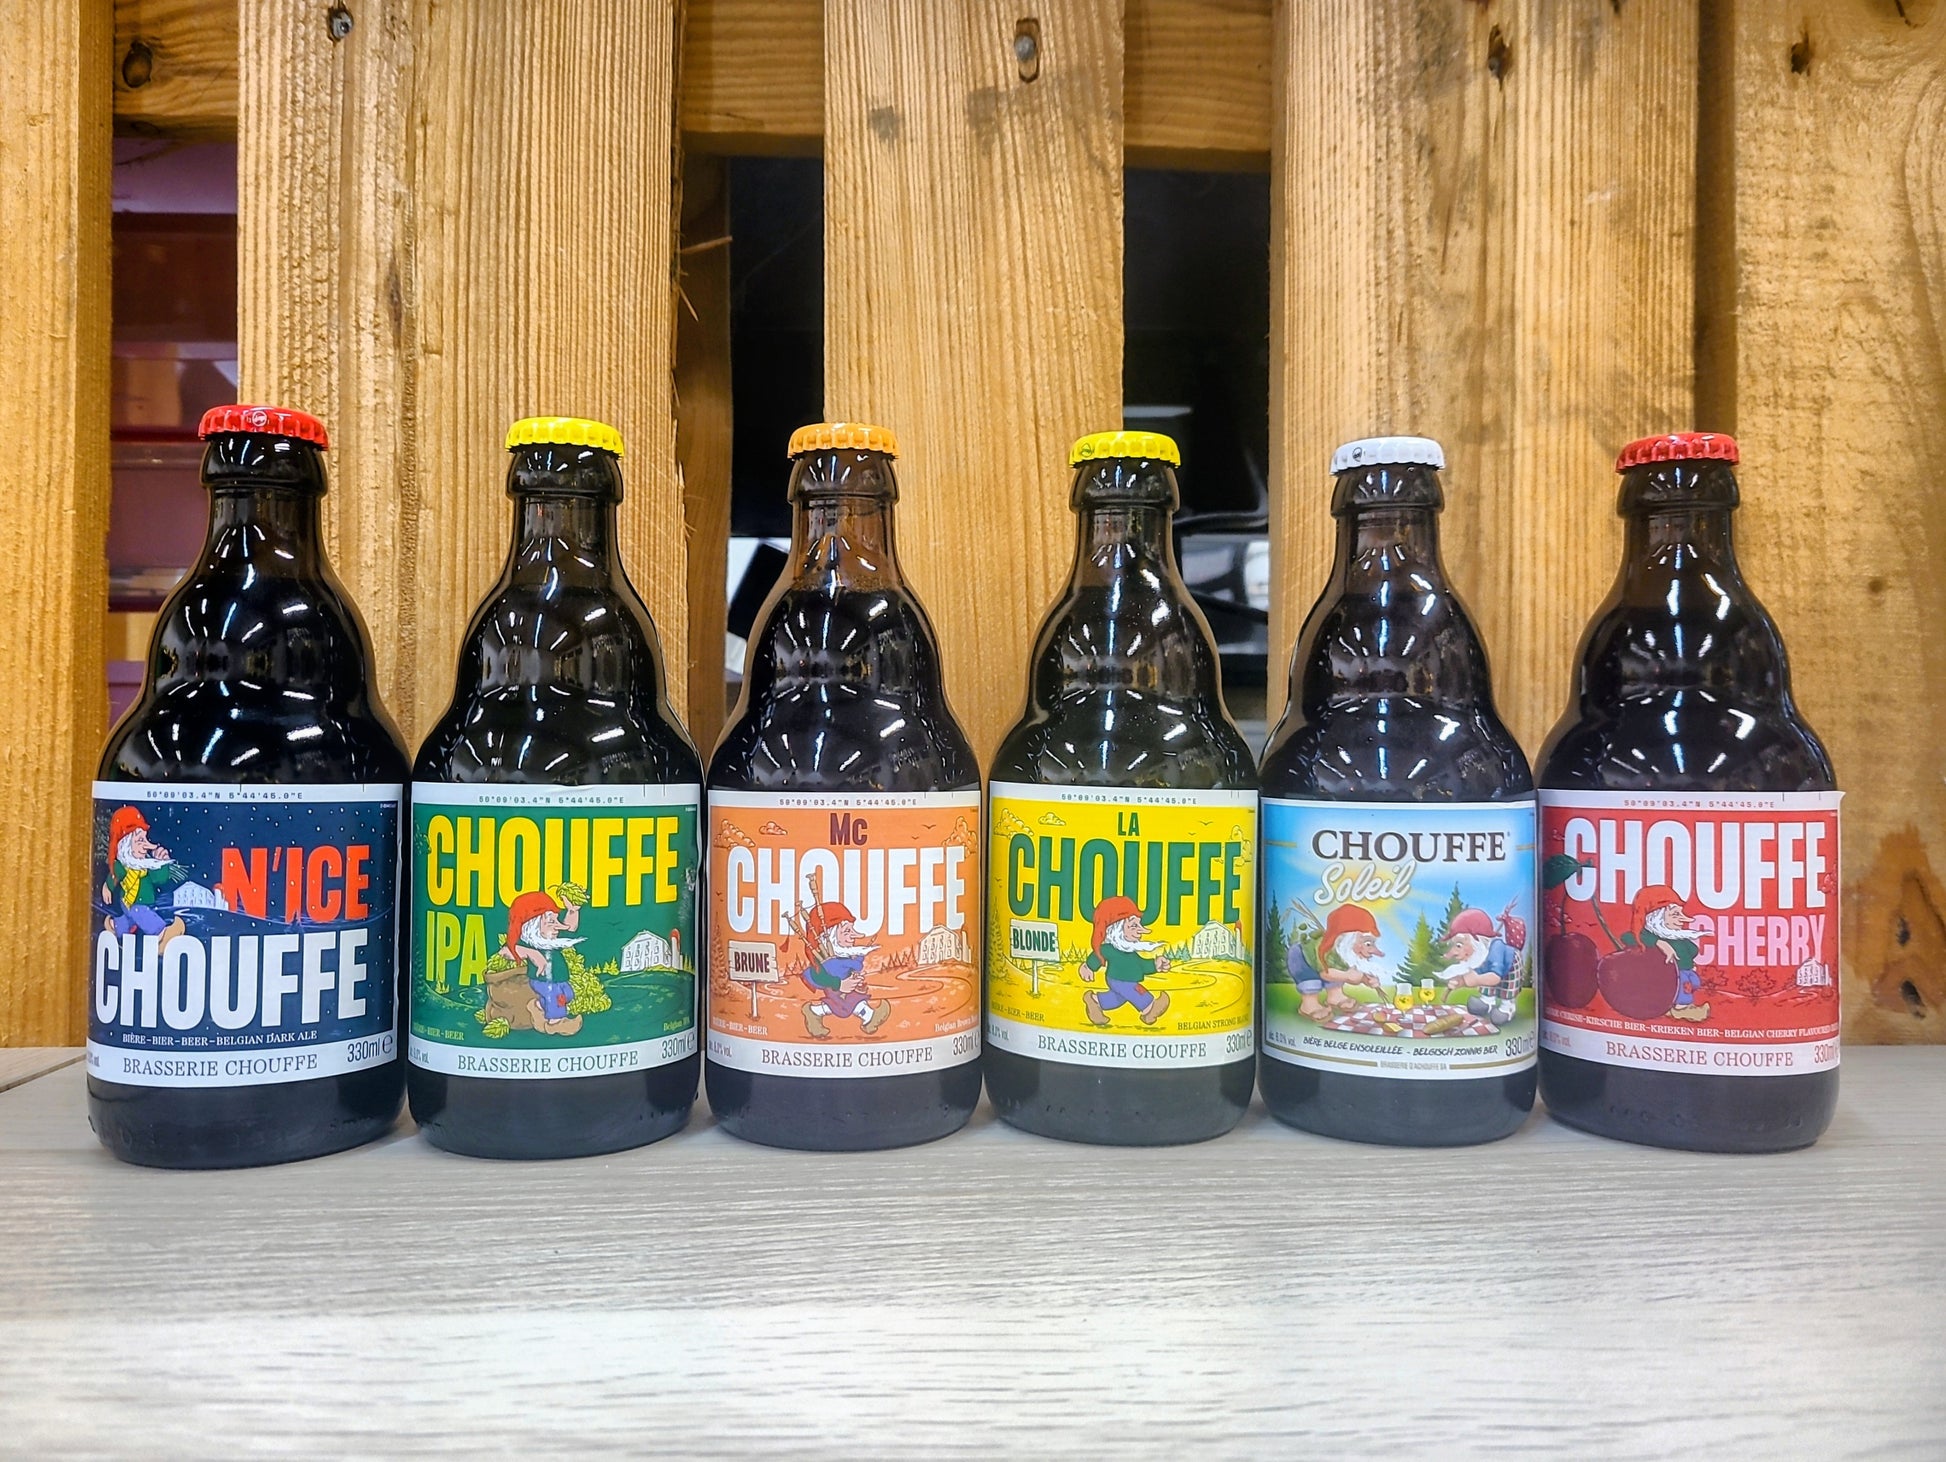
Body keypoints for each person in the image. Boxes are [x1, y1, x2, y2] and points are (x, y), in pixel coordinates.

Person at [795, 901, 891, 1038]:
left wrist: (855, 979)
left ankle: (869, 1017)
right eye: (846, 931)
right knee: (842, 1005)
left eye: (852, 929)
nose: (853, 936)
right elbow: (818, 976)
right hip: (835, 989)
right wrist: (839, 984)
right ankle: (814, 1012)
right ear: (829, 936)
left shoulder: (845, 957)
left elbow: (848, 969)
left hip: (844, 988)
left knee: (853, 999)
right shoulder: (824, 961)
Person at [501, 885, 586, 1034]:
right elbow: (505, 951)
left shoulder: (551, 940)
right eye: (550, 922)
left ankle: (539, 1007)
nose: (557, 927)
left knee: (568, 994)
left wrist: (573, 911)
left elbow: (570, 927)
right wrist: (532, 954)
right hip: (541, 981)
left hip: (559, 979)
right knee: (555, 995)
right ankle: (556, 1024)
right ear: (532, 926)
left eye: (556, 920)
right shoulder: (530, 943)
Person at [1081, 895, 1173, 1027]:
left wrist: (1155, 965)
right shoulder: (1110, 948)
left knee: (1118, 998)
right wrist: (1088, 966)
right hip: (1118, 979)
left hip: (1122, 979)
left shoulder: (1130, 950)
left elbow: (1141, 964)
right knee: (1135, 990)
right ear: (1117, 929)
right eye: (1133, 926)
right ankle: (1149, 1008)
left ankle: (1094, 1002)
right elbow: (1098, 954)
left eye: (1139, 924)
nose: (1140, 930)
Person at [100, 806, 185, 946]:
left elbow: (159, 879)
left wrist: (162, 863)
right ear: (126, 845)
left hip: (138, 902)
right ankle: (161, 934)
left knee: (129, 919)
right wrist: (107, 887)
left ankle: (116, 927)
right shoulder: (122, 866)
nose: (145, 845)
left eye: (145, 838)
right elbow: (114, 875)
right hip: (131, 902)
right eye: (140, 840)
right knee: (139, 912)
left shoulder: (145, 865)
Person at [1287, 903, 1388, 1020]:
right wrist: (1347, 976)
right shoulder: (1328, 950)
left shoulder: (1347, 954)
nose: (1372, 950)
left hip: (1327, 967)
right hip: (1303, 960)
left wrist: (1366, 980)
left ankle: (1335, 997)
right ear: (1349, 939)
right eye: (1368, 944)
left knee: (1338, 975)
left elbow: (1353, 974)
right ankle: (1309, 1006)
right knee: (1311, 982)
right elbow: (1325, 973)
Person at [1632, 884, 1710, 1021]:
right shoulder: (1650, 936)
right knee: (1682, 988)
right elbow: (1629, 937)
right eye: (1674, 914)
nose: (1681, 918)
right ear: (1657, 918)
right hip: (1669, 975)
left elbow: (1692, 950)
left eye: (1680, 913)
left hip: (1687, 970)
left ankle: (1675, 1006)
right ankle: (1682, 1009)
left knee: (1694, 983)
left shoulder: (1677, 936)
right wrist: (1659, 943)